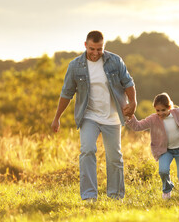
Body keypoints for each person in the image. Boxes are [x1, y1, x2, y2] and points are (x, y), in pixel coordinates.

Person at [51, 30, 137, 201]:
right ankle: (89, 196)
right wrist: (57, 117)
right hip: (89, 115)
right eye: (92, 49)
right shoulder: (75, 66)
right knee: (87, 150)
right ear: (85, 45)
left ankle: (115, 197)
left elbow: (128, 83)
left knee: (114, 157)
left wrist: (133, 102)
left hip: (112, 116)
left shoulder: (115, 61)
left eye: (99, 49)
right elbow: (66, 93)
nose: (96, 53)